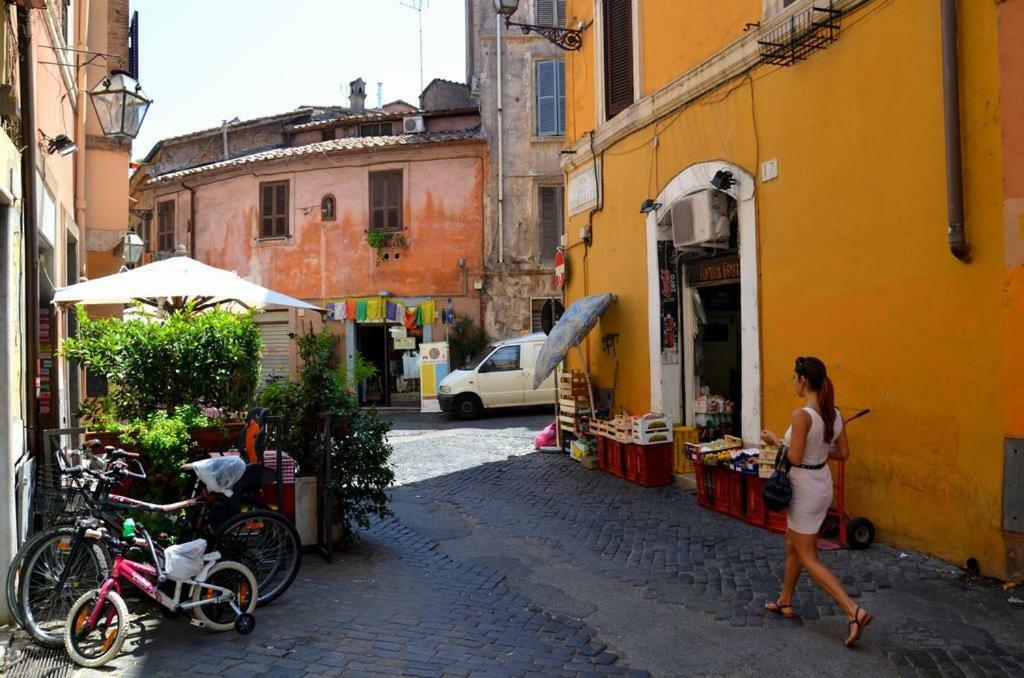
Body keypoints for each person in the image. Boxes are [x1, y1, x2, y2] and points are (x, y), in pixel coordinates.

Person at [760, 356, 873, 647]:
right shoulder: (832, 413)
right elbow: (843, 453)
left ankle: (853, 611)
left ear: (802, 380)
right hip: (820, 482)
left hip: (804, 488)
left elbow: (794, 457)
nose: (792, 383)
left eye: (793, 378)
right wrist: (819, 451)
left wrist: (776, 441)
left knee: (809, 556)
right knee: (792, 544)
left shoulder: (803, 416)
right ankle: (785, 600)